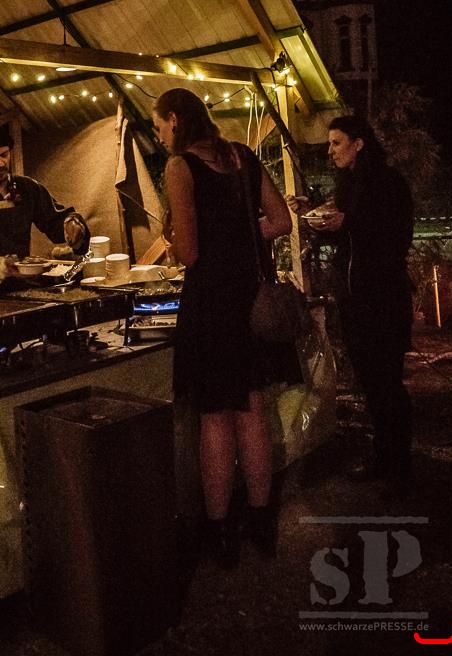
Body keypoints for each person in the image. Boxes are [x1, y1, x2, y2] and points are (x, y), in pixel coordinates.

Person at [152, 88, 293, 567]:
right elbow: (281, 221)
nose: (158, 134)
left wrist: (174, 237)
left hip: (211, 303)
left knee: (215, 417)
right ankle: (261, 520)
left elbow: (189, 253)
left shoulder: (180, 167)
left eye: (158, 125)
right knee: (251, 410)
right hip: (249, 298)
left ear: (175, 120)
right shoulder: (242, 156)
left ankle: (219, 531)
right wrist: (239, 237)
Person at [294, 115, 415, 493]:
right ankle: (383, 456)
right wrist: (319, 218)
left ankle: (399, 467)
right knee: (370, 383)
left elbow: (394, 235)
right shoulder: (348, 185)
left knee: (387, 382)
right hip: (354, 298)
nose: (330, 151)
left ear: (359, 143)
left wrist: (348, 222)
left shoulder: (387, 182)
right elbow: (347, 239)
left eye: (336, 142)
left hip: (384, 298)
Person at [0, 122, 90, 300]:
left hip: (23, 291)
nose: (0, 163)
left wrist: (71, 226)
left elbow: (54, 220)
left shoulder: (27, 188)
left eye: (4, 155)